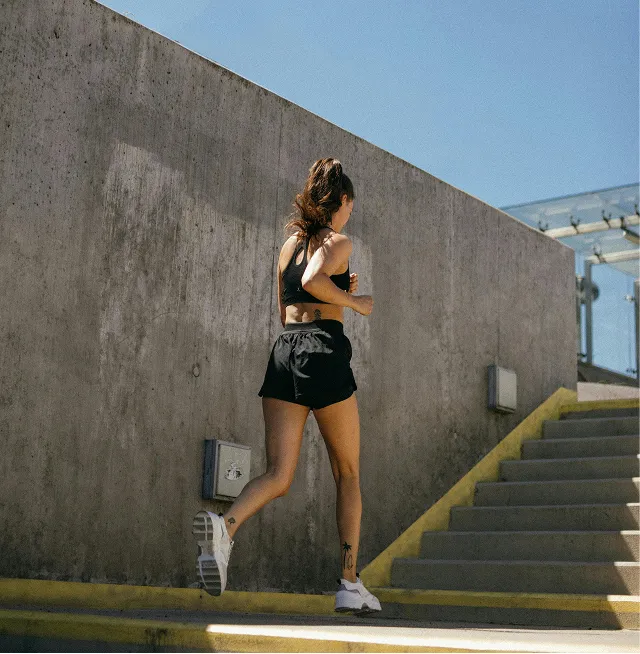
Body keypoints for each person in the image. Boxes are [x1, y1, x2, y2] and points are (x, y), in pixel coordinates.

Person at [192, 158, 381, 615]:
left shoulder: (287, 246)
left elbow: (289, 307)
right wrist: (353, 301)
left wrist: (336, 288)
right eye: (350, 205)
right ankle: (350, 583)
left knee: (278, 475)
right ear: (344, 201)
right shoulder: (339, 240)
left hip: (284, 352)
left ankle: (226, 526)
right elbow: (317, 279)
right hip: (323, 354)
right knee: (348, 473)